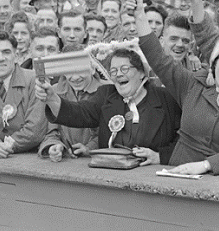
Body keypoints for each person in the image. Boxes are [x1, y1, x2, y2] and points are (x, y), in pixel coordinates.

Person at [133, 0, 219, 175]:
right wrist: (140, 15)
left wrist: (205, 165)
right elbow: (159, 59)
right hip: (175, 170)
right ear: (214, 62)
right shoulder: (192, 85)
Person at [36, 46, 181, 166]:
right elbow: (80, 113)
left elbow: (185, 138)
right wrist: (52, 98)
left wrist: (160, 157)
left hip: (152, 180)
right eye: (113, 71)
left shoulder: (166, 98)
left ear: (142, 72)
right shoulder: (107, 95)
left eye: (124, 69)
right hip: (112, 176)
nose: (118, 75)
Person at [38, 44, 100, 161]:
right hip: (65, 161)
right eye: (69, 71)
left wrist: (89, 148)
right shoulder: (54, 91)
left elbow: (108, 133)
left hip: (95, 161)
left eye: (80, 70)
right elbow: (51, 131)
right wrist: (54, 146)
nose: (75, 77)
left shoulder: (105, 91)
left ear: (92, 68)